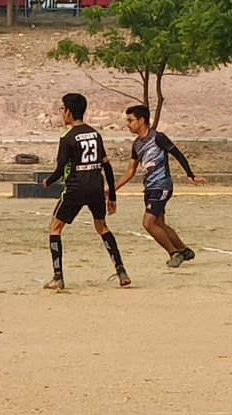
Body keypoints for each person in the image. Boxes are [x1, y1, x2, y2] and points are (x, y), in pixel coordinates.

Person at [40, 93, 128, 291]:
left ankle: (58, 277)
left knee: (55, 228)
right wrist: (112, 196)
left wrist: (48, 181)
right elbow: (107, 167)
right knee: (102, 227)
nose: (62, 113)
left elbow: (61, 169)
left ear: (69, 112)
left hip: (76, 188)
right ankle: (121, 270)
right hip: (96, 187)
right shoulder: (95, 134)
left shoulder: (67, 137)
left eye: (63, 109)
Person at [114, 105, 207, 268]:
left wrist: (191, 175)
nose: (127, 125)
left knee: (148, 223)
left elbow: (178, 155)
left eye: (130, 120)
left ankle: (174, 253)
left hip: (162, 186)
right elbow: (130, 171)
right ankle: (184, 250)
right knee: (159, 224)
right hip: (149, 188)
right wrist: (113, 188)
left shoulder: (158, 138)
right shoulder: (136, 144)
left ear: (141, 120)